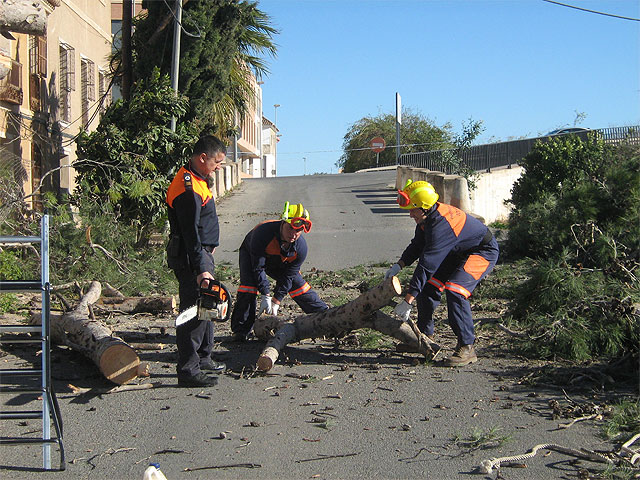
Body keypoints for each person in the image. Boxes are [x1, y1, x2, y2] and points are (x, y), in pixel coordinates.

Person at [385, 179, 499, 366]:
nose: (410, 214)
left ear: (424, 207)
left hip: (481, 251)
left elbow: (427, 265)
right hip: (457, 251)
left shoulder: (441, 226)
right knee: (429, 287)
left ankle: (467, 346)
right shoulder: (427, 218)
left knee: (455, 290)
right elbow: (417, 245)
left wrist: (408, 301)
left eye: (413, 210)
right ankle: (424, 339)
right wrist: (399, 265)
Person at [166, 135, 228, 387]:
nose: (219, 167)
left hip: (202, 253)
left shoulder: (199, 180)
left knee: (208, 306)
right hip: (193, 256)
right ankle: (188, 370)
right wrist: (201, 269)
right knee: (193, 312)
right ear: (202, 158)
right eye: (216, 161)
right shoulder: (187, 187)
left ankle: (203, 357)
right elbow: (190, 232)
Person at [230, 202, 328, 341]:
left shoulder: (301, 248)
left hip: (281, 260)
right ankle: (241, 330)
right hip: (252, 253)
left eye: (298, 231)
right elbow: (258, 267)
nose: (293, 234)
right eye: (290, 228)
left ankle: (325, 317)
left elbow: (288, 276)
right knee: (249, 287)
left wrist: (276, 301)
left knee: (299, 286)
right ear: (283, 223)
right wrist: (266, 294)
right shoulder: (262, 233)